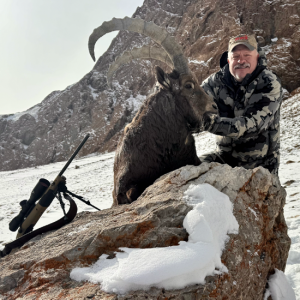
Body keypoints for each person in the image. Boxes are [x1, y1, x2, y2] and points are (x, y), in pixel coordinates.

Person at [201, 34, 282, 175]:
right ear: (228, 60)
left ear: (257, 57)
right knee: (187, 167)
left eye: (247, 55)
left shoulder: (269, 82)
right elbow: (193, 102)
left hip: (260, 168)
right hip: (224, 158)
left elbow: (253, 124)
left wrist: (210, 123)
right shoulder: (214, 82)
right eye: (235, 56)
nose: (241, 60)